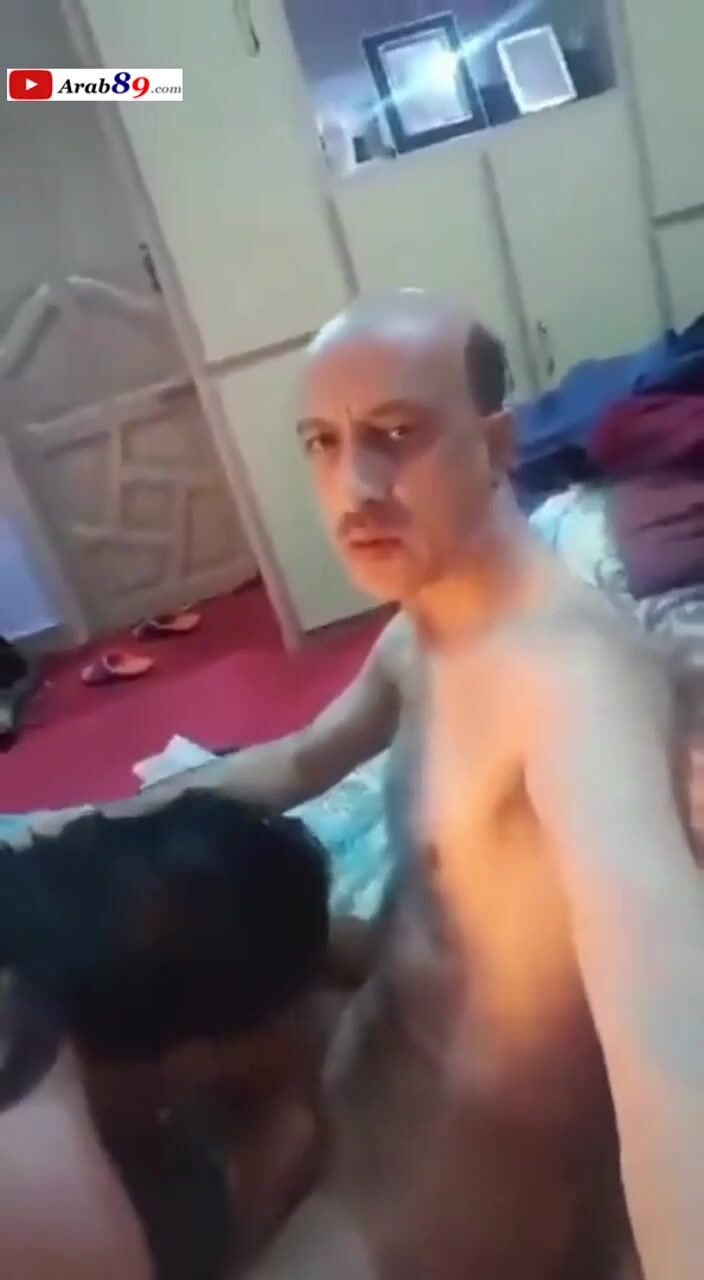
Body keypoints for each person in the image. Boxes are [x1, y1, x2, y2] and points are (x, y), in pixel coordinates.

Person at [19, 290, 704, 1276]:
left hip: (442, 1193)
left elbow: (664, 1019)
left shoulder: (572, 687)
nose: (355, 485)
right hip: (350, 1072)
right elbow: (297, 761)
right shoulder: (429, 624)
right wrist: (60, 830)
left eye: (395, 435)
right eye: (323, 444)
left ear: (495, 443)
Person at [0, 791, 370, 1279]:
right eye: (292, 1013)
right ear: (194, 1060)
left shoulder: (44, 908)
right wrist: (262, 1197)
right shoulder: (70, 1218)